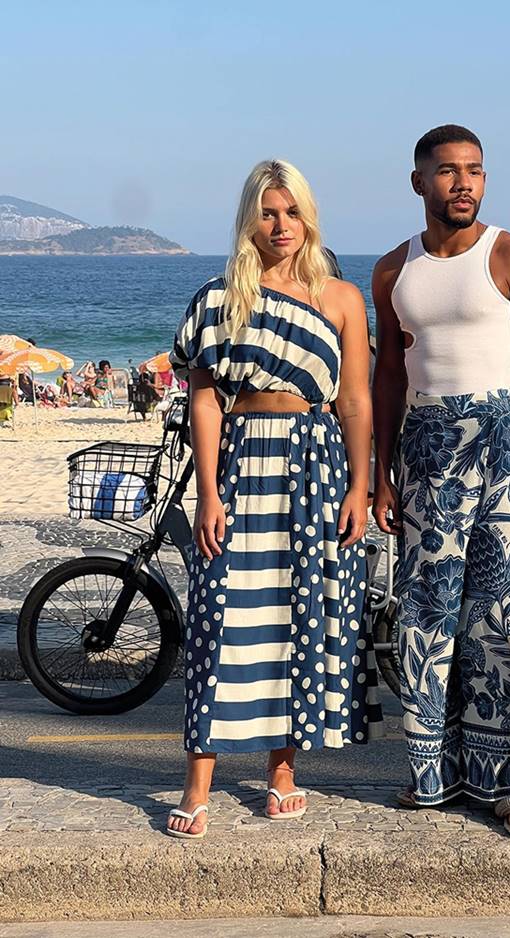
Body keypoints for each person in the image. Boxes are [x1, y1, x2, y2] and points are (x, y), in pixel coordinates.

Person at [166, 159, 382, 840]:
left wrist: (360, 483)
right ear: (250, 219)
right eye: (268, 212)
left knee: (301, 613)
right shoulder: (218, 296)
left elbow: (354, 400)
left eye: (292, 212)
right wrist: (207, 491)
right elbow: (204, 396)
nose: (281, 225)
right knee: (220, 616)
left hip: (317, 465)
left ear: (309, 216)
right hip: (240, 460)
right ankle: (197, 780)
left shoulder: (342, 297)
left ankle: (281, 772)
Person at [372, 125, 510, 839]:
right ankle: (433, 775)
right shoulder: (394, 272)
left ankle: (505, 783)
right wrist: (381, 476)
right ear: (418, 181)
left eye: (474, 171)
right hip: (424, 450)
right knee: (426, 615)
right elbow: (387, 374)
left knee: (500, 616)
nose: (463, 183)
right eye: (448, 171)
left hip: (501, 449)